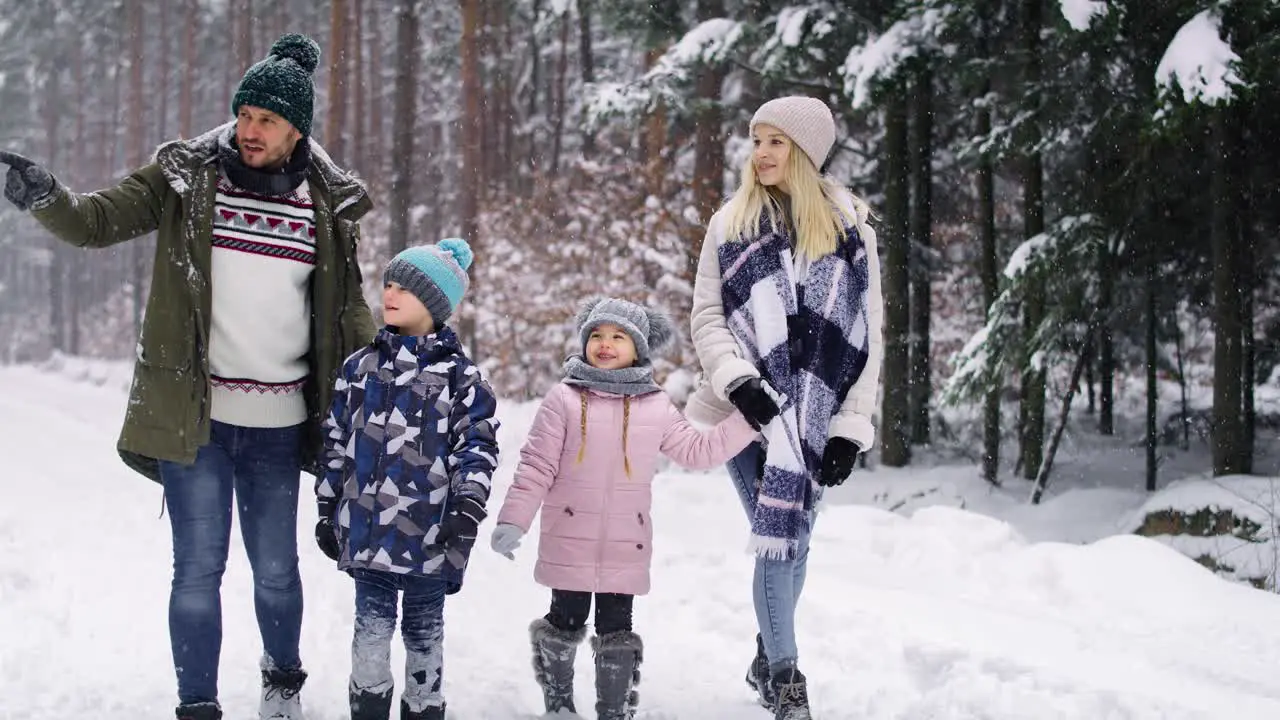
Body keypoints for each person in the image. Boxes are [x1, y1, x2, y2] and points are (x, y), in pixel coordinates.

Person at [0, 33, 378, 720]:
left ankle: (282, 681)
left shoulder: (325, 207)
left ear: (296, 130)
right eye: (244, 114)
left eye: (266, 119)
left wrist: (382, 374)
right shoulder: (187, 178)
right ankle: (196, 704)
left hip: (278, 423)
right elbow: (95, 221)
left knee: (276, 572)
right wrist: (43, 196)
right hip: (194, 419)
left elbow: (347, 311)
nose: (250, 129)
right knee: (198, 574)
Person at [685, 96, 884, 720]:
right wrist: (737, 378)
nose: (762, 153)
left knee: (795, 538)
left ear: (805, 152)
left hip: (816, 419)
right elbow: (707, 317)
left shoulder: (854, 232)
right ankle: (784, 674)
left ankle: (764, 651)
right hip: (746, 414)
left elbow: (869, 335)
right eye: (757, 140)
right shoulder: (731, 223)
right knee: (782, 543)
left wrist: (849, 429)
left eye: (776, 142)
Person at [488, 297, 759, 720]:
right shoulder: (563, 399)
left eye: (618, 336)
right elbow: (536, 465)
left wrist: (748, 420)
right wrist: (513, 519)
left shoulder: (655, 406)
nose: (605, 343)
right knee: (565, 619)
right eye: (596, 335)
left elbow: (698, 450)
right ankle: (559, 702)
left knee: (616, 629)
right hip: (569, 537)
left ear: (639, 347)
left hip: (624, 543)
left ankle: (613, 710)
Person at [315, 238, 500, 720]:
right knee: (370, 641)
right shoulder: (360, 369)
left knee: (423, 642)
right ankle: (368, 708)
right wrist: (325, 505)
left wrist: (467, 509)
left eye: (406, 288)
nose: (390, 294)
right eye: (389, 284)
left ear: (436, 302)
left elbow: (478, 448)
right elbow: (336, 440)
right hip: (369, 535)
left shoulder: (461, 378)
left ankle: (424, 708)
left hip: (430, 539)